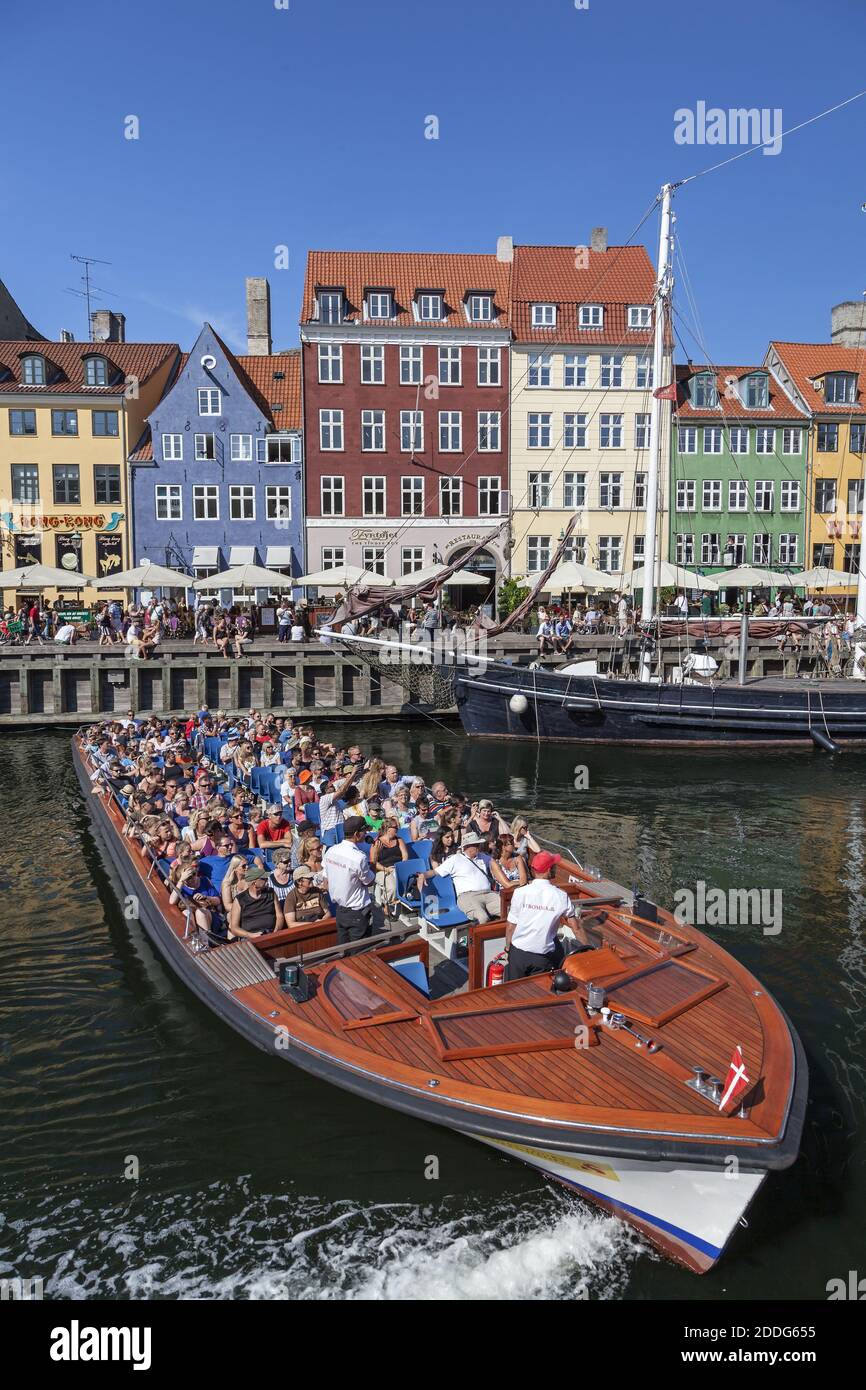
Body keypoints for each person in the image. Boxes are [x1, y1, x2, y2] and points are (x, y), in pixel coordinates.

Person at [504, 851, 581, 980]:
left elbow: (511, 926)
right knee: (539, 995)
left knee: (514, 994)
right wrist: (590, 949)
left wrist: (508, 948)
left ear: (534, 870)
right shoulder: (561, 896)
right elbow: (576, 928)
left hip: (518, 955)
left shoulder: (519, 893)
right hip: (542, 958)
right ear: (549, 869)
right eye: (554, 865)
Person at [425, 831, 501, 924]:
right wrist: (423, 875)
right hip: (468, 896)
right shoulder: (455, 859)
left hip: (488, 894)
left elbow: (496, 864)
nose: (479, 847)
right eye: (475, 845)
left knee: (509, 910)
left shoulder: (483, 857)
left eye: (478, 844)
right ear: (466, 847)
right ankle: (478, 938)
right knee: (483, 918)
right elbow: (435, 871)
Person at [322, 815, 375, 943]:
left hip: (340, 910)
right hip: (357, 911)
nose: (366, 834)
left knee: (343, 950)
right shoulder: (359, 857)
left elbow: (325, 881)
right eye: (364, 831)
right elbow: (369, 882)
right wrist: (374, 857)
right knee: (360, 952)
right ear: (357, 834)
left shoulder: (331, 851)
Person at [228, 865, 284, 939]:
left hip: (272, 934)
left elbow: (279, 916)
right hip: (250, 938)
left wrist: (275, 932)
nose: (267, 880)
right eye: (264, 879)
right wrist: (250, 935)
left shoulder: (271, 893)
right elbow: (234, 928)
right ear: (254, 883)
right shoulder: (240, 899)